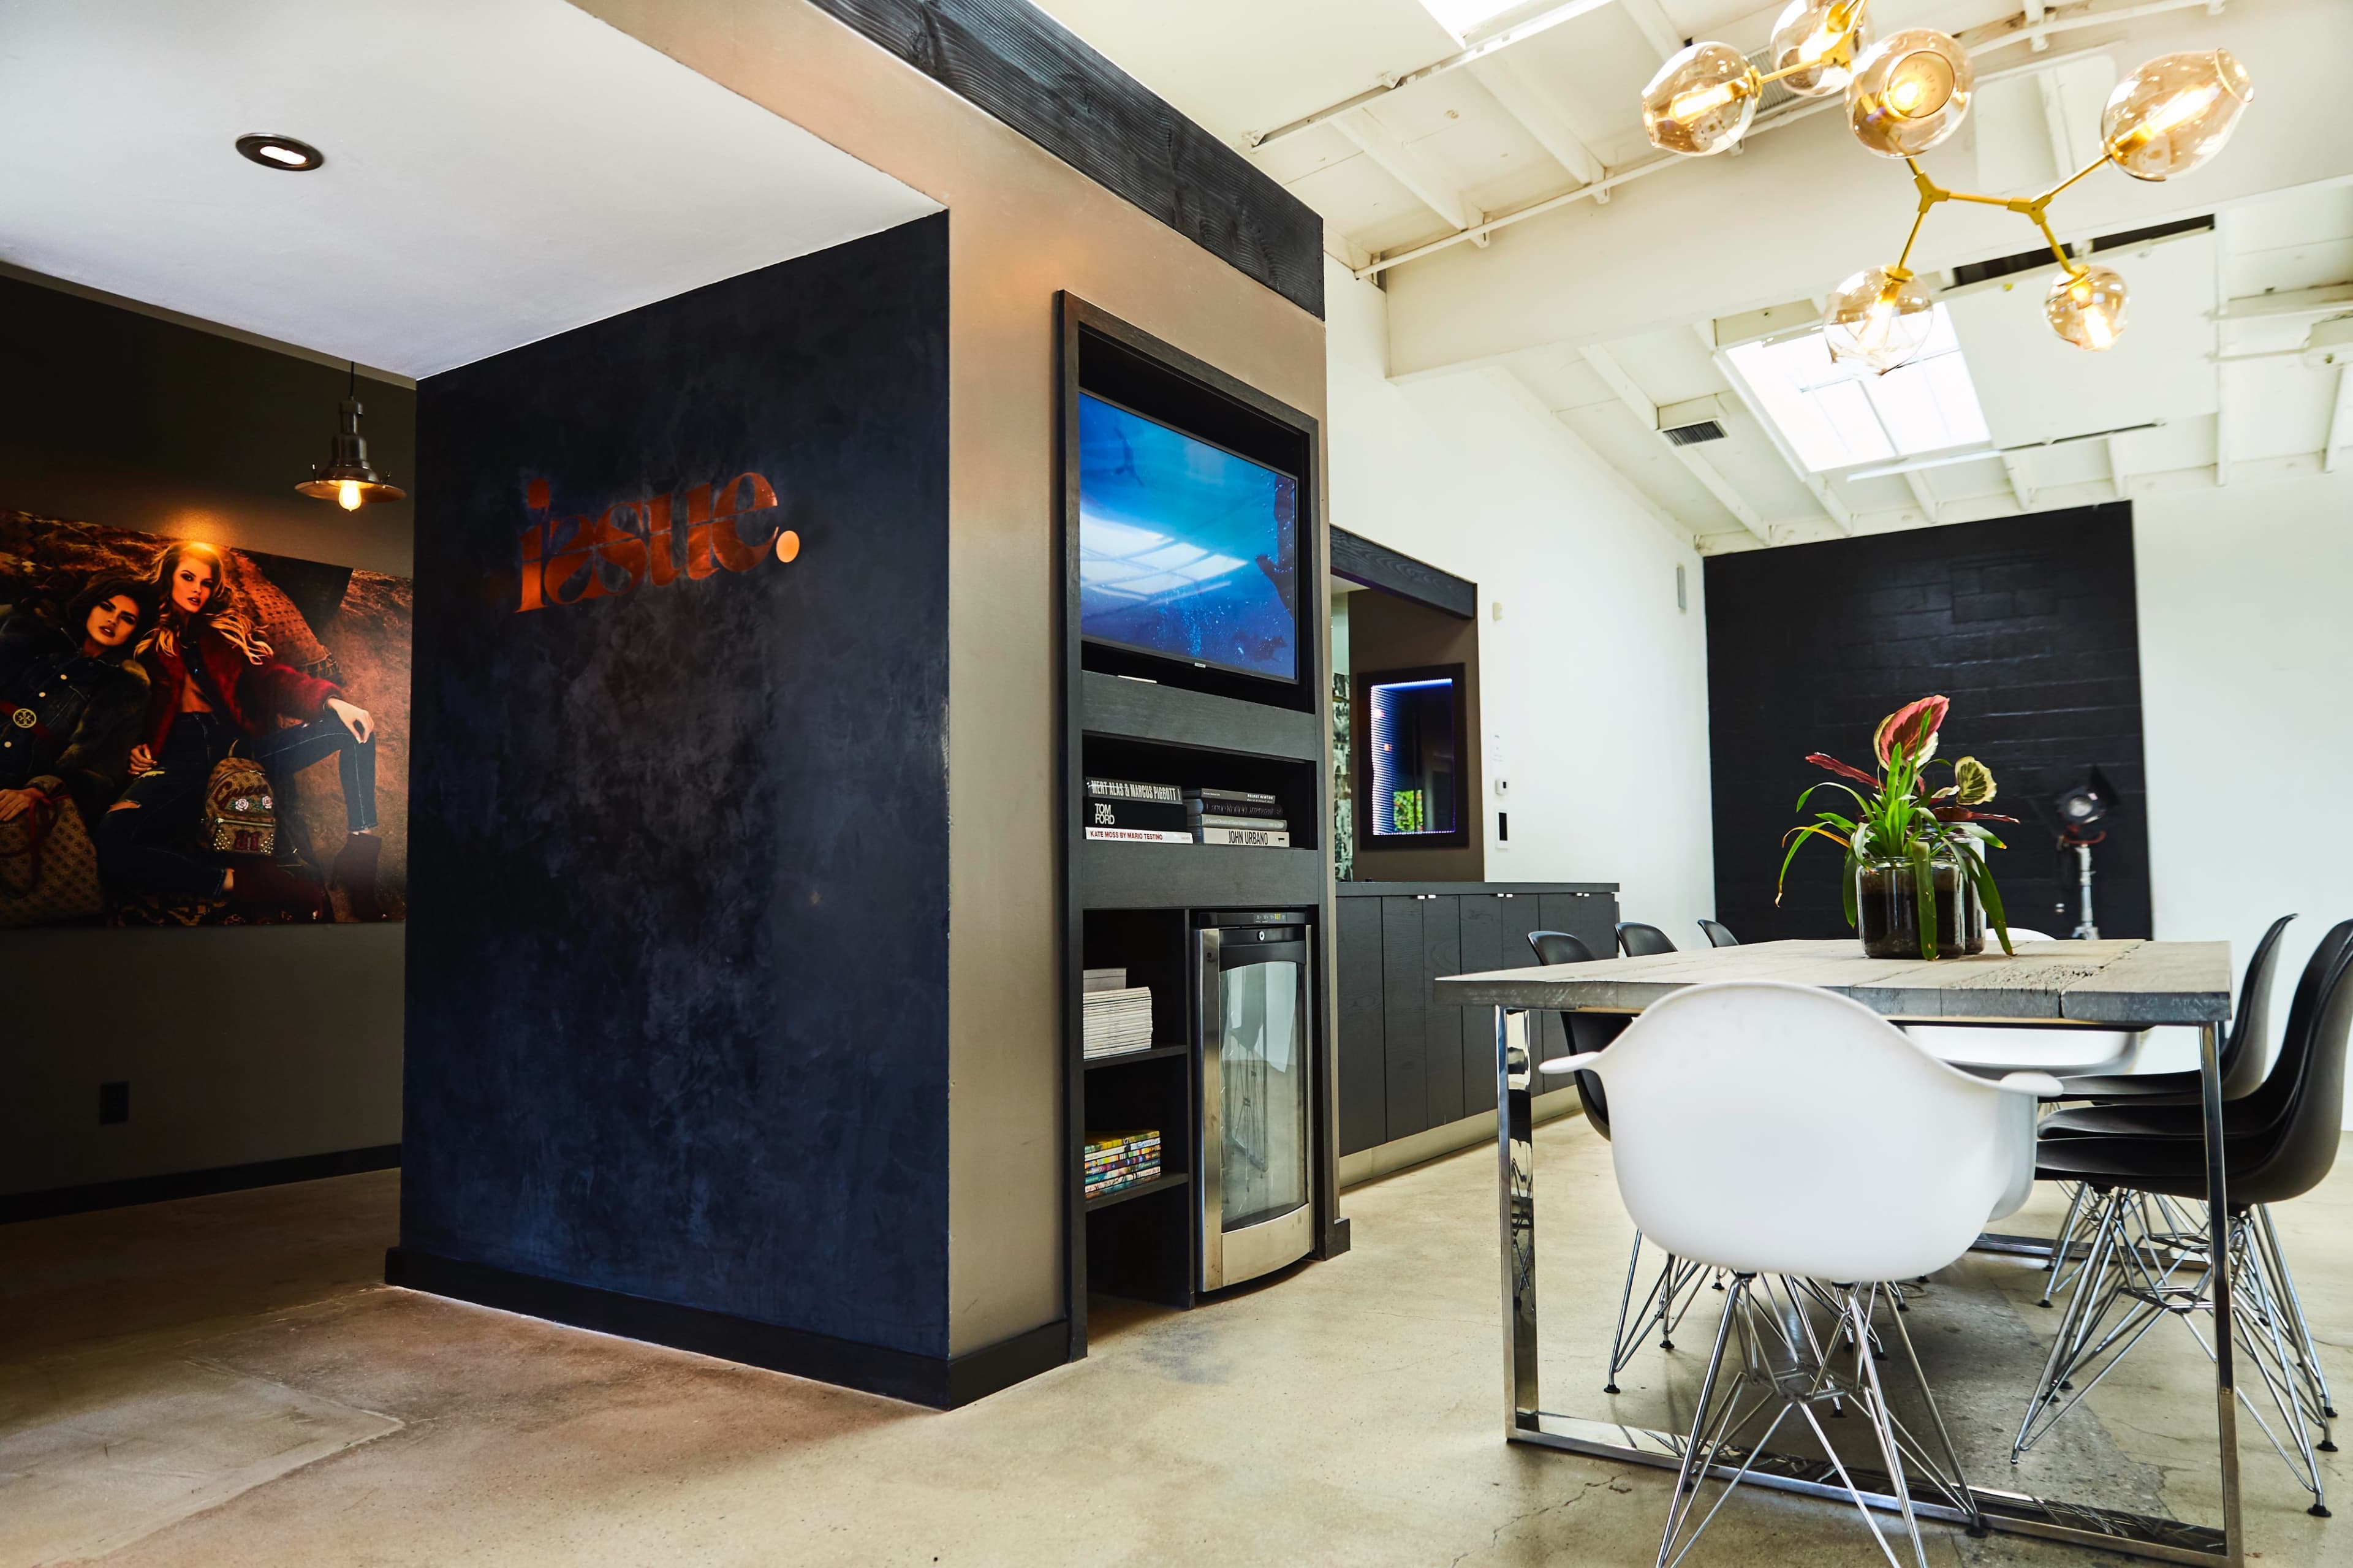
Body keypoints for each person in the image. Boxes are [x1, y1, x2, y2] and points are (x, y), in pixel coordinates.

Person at [98, 540, 384, 918]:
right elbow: (119, 704)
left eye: (206, 582)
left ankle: (359, 858)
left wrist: (332, 702)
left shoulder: (227, 635)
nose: (197, 589)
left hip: (239, 751)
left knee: (356, 728)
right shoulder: (143, 636)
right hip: (177, 763)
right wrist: (135, 749)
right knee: (113, 840)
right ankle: (244, 884)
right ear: (169, 578)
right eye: (188, 578)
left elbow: (273, 679)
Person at [0, 575, 153, 831]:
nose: (113, 620)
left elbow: (103, 771)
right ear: (91, 606)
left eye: (127, 619)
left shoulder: (124, 689)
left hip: (17, 792)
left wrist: (39, 789)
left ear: (135, 631)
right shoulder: (35, 639)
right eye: (107, 607)